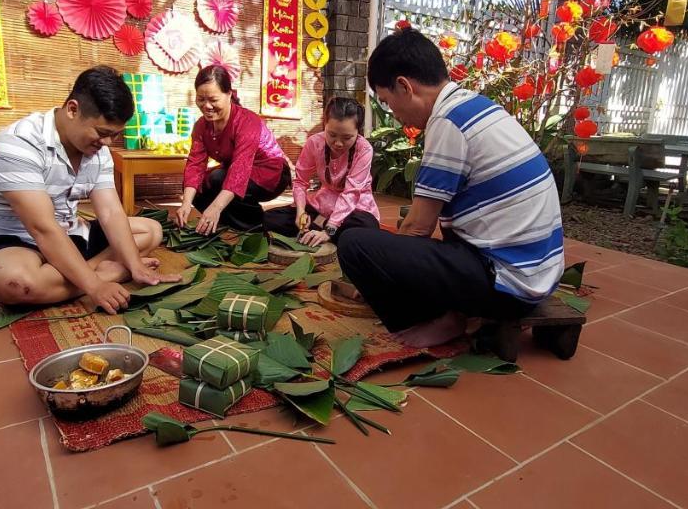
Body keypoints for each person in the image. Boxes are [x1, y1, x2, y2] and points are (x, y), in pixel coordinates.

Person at [337, 29, 565, 353]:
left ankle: (436, 320)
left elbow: (418, 227)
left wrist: (382, 272)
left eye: (388, 103)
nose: (395, 116)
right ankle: (452, 311)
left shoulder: (447, 122)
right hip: (537, 274)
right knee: (361, 222)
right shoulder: (472, 105)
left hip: (509, 287)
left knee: (353, 244)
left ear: (405, 86)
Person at [0, 66, 180, 314]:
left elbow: (111, 213)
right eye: (102, 133)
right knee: (16, 284)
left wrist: (136, 267)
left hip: (70, 232)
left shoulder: (98, 151)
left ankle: (87, 270)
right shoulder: (17, 144)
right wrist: (95, 285)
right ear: (73, 109)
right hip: (17, 241)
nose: (106, 143)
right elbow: (42, 228)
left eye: (114, 135)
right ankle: (103, 271)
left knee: (151, 230)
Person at [174, 65, 291, 234]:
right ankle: (228, 222)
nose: (206, 106)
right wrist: (186, 204)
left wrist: (215, 207)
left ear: (229, 94)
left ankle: (256, 225)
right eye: (201, 99)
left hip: (273, 173)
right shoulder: (201, 125)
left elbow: (239, 170)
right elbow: (195, 165)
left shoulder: (247, 121)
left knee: (217, 178)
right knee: (194, 185)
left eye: (213, 100)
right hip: (233, 172)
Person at [263, 97, 381, 246]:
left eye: (347, 137)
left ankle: (322, 228)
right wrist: (300, 212)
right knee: (270, 218)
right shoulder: (314, 143)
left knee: (365, 228)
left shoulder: (364, 149)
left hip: (355, 209)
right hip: (323, 204)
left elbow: (351, 193)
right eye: (332, 135)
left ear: (358, 131)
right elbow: (300, 182)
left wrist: (329, 230)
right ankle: (324, 228)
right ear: (325, 124)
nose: (338, 143)